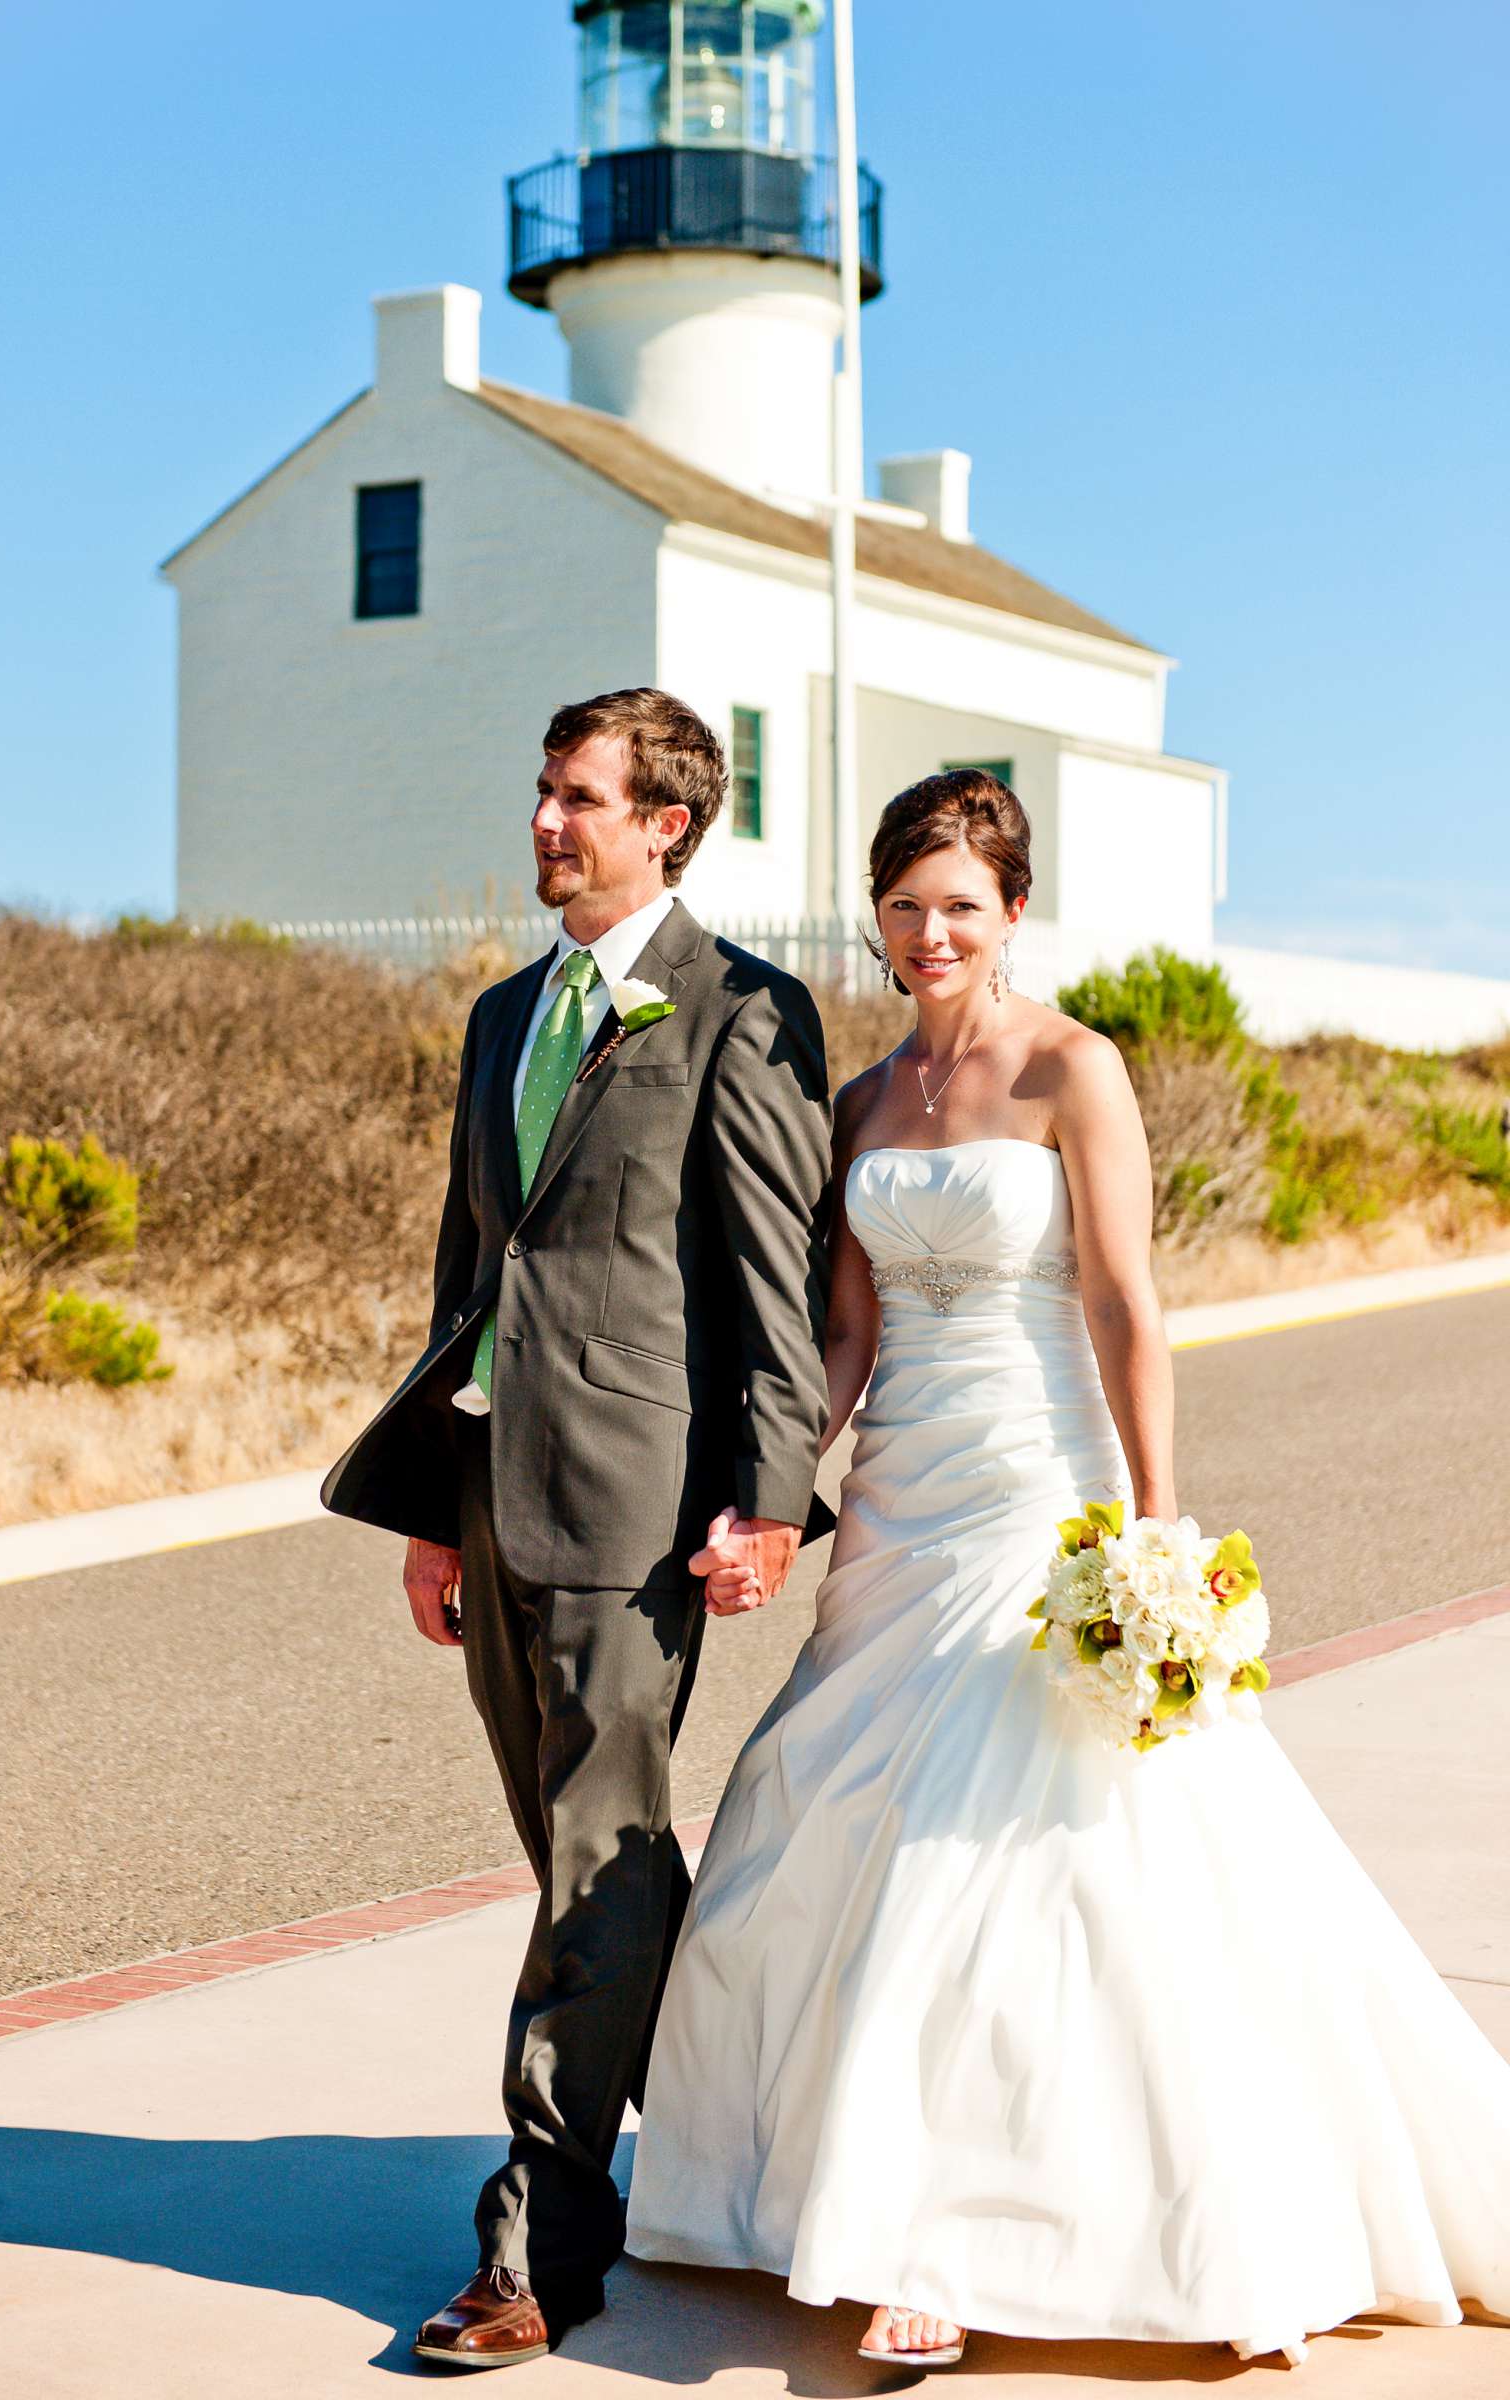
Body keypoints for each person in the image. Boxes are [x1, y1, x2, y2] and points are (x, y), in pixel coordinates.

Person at [625, 769, 1510, 2369]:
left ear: (1012, 911)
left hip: (1048, 1489)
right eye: (904, 905)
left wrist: (1157, 1527)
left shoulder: (1074, 1070)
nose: (930, 931)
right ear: (879, 920)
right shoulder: (867, 1101)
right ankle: (840, 2194)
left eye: (960, 903)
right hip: (902, 1502)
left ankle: (943, 2246)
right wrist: (768, 1500)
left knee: (1003, 1856)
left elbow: (1123, 1304)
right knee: (823, 1819)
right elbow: (845, 1334)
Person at [320, 688, 833, 2369]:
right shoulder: (502, 1013)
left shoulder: (740, 1012)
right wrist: (430, 1508)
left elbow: (771, 1279)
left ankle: (535, 2242)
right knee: (575, 1862)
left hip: (639, 1502)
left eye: (581, 798)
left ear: (667, 821)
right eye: (543, 792)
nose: (548, 822)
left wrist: (766, 1494)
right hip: (485, 1481)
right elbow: (469, 1271)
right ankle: (723, 2134)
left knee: (600, 1851)